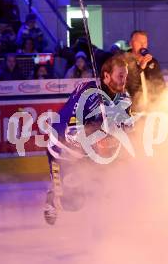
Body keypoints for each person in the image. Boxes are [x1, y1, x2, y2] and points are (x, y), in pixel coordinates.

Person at [44, 55, 133, 225]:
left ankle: (106, 226)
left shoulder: (123, 97)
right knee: (74, 203)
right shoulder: (88, 94)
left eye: (125, 76)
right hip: (64, 151)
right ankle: (52, 197)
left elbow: (127, 126)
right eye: (120, 76)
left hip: (94, 153)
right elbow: (69, 132)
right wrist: (97, 133)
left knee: (115, 184)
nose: (124, 80)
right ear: (106, 76)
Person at [125, 30, 165, 106]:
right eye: (139, 42)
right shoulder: (123, 60)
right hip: (131, 109)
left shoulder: (152, 62)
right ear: (131, 43)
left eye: (145, 42)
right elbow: (126, 83)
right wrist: (140, 67)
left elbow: (161, 85)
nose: (143, 46)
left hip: (151, 107)